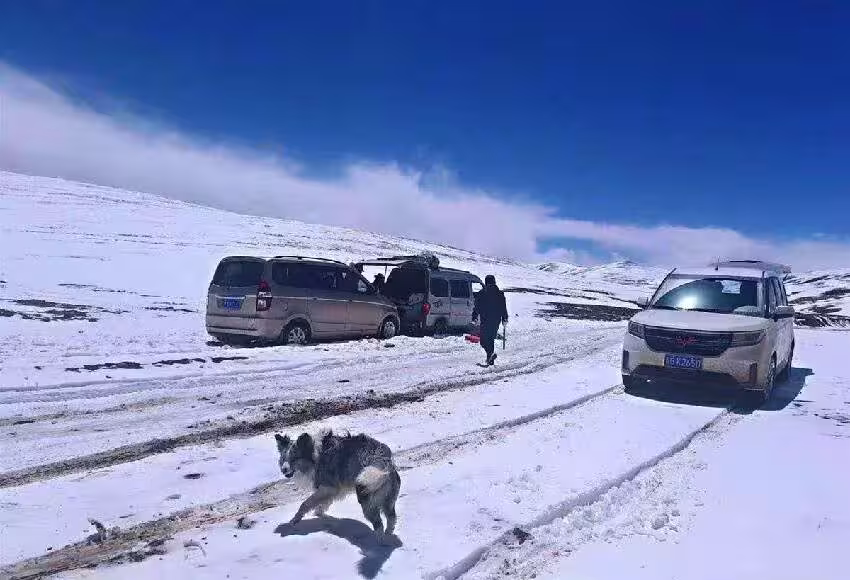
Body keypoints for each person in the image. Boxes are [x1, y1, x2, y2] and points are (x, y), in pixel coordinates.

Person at [471, 275, 508, 365]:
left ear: (486, 282)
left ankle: (490, 354)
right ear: (494, 282)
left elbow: (477, 306)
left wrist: (474, 316)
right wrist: (505, 318)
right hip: (496, 319)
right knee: (490, 339)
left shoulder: (482, 293)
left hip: (485, 319)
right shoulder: (500, 293)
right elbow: (503, 307)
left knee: (483, 340)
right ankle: (490, 359)